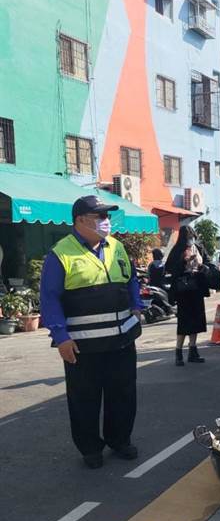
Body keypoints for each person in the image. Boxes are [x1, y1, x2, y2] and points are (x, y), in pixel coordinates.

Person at [40, 195, 144, 469]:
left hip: (122, 341)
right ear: (80, 221)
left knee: (123, 394)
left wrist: (137, 306)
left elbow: (131, 279)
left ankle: (120, 440)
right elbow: (49, 298)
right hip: (83, 346)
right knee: (84, 399)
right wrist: (60, 337)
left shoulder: (117, 247)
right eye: (100, 217)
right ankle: (90, 448)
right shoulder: (60, 254)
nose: (106, 221)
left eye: (107, 216)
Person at [165, 224, 210, 366]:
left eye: (192, 237)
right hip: (183, 290)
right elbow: (169, 267)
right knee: (184, 322)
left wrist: (203, 267)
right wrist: (184, 262)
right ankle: (178, 353)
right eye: (188, 237)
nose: (191, 240)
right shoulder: (178, 250)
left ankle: (193, 350)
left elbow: (208, 262)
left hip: (196, 288)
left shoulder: (198, 248)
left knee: (196, 320)